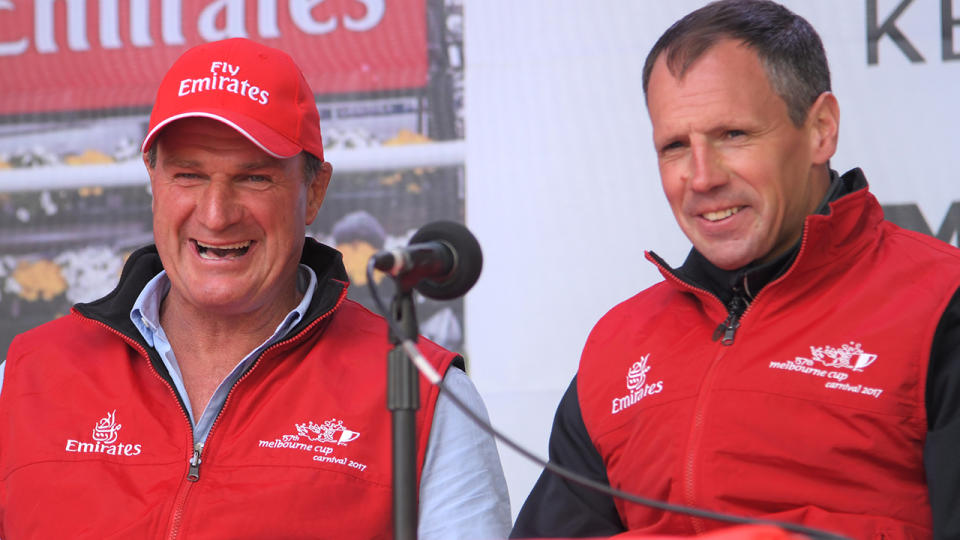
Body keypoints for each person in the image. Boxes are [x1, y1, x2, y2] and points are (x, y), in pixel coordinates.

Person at [0, 38, 510, 539]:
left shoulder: (426, 397)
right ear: (152, 179)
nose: (217, 214)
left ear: (314, 192)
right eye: (188, 175)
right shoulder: (22, 379)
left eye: (255, 178)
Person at [511, 1, 960, 539]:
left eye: (733, 135)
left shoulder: (941, 301)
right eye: (675, 146)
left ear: (820, 129)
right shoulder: (617, 345)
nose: (701, 178)